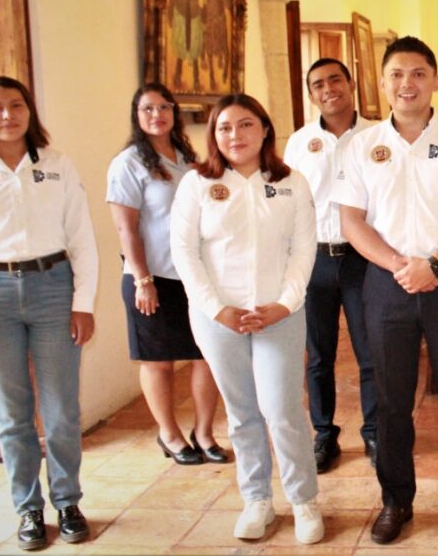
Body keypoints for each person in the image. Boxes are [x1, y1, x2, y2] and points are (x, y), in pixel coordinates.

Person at [333, 36, 438, 545]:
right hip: (385, 285)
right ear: (382, 83)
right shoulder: (360, 146)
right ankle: (395, 500)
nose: (408, 84)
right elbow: (352, 221)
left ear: (435, 81)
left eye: (418, 73)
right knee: (390, 399)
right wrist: (399, 266)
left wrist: (434, 264)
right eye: (397, 74)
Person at [170, 94, 323, 544]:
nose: (235, 135)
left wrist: (285, 303)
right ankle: (257, 500)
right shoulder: (198, 183)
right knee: (241, 413)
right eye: (224, 127)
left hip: (279, 314)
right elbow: (184, 251)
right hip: (218, 318)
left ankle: (303, 501)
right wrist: (217, 308)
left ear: (264, 129)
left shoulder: (292, 181)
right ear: (213, 134)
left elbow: (303, 249)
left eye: (245, 125)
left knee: (282, 410)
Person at [0, 76, 98, 550]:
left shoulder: (56, 165)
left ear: (29, 112)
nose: (7, 116)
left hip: (53, 289)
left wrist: (83, 303)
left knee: (60, 409)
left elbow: (81, 237)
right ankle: (29, 509)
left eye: (16, 106)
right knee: (11, 413)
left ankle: (67, 501)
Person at [107, 83, 227, 468]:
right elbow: (126, 229)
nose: (156, 115)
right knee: (158, 361)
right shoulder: (128, 164)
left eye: (163, 107)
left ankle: (205, 432)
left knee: (205, 356)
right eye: (147, 109)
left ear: (174, 112)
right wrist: (142, 280)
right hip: (152, 279)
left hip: (193, 277)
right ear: (136, 117)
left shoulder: (187, 158)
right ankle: (170, 434)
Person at [284, 59, 377, 473]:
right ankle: (324, 434)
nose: (328, 89)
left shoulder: (378, 135)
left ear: (351, 84)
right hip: (315, 259)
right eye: (318, 84)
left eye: (335, 80)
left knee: (370, 351)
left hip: (366, 259)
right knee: (318, 355)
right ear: (311, 94)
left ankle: (375, 431)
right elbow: (287, 202)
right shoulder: (299, 143)